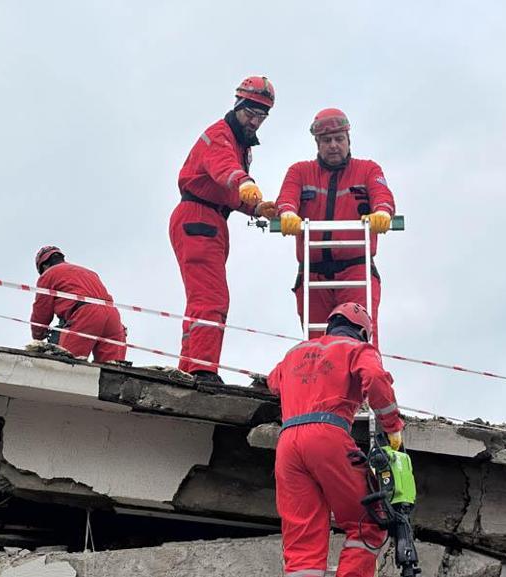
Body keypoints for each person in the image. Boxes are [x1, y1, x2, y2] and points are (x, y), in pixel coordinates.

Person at [267, 302, 404, 577]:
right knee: (369, 522)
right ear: (363, 333)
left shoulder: (293, 353)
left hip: (287, 446)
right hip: (327, 436)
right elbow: (376, 378)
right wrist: (392, 427)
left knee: (302, 546)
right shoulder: (358, 349)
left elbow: (273, 383)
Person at [170, 76, 277, 384]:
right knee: (211, 297)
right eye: (250, 113)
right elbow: (223, 169)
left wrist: (255, 208)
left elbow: (227, 186)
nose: (255, 121)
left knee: (202, 298)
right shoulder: (221, 136)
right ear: (238, 105)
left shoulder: (239, 143)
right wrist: (245, 183)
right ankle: (202, 370)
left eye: (261, 116)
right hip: (199, 217)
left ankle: (190, 367)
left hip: (209, 219)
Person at [275, 108, 396, 348]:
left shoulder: (368, 170)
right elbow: (287, 196)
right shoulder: (299, 172)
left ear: (348, 140)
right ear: (317, 143)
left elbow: (382, 195)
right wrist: (287, 213)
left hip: (356, 273)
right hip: (313, 273)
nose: (333, 145)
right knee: (316, 346)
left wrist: (383, 212)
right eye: (326, 140)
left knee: (357, 343)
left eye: (339, 139)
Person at [30, 246, 126, 363]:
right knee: (114, 371)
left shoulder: (48, 274)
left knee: (67, 365)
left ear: (43, 266)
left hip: (86, 315)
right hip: (113, 317)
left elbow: (42, 311)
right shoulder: (90, 273)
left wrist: (38, 336)